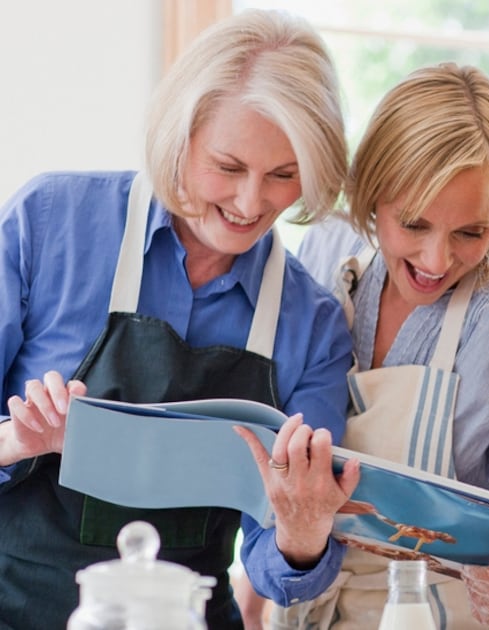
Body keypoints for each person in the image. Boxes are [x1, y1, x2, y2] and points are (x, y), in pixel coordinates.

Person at [0, 10, 360, 629]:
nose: (251, 202)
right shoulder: (50, 222)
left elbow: (278, 569)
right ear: (179, 137)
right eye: (228, 166)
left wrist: (303, 534)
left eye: (283, 175)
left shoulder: (312, 324)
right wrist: (17, 440)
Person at [268, 62, 489, 629]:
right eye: (413, 224)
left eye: (470, 233)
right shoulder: (325, 253)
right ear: (371, 193)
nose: (436, 260)